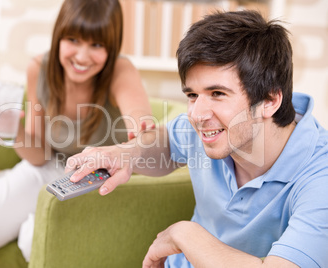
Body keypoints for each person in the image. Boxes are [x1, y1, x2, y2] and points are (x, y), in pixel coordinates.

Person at [66, 10, 328, 267]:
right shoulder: (211, 129)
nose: (197, 114)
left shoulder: (319, 178)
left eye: (217, 93)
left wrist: (185, 234)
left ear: (270, 101)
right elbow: (166, 143)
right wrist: (124, 154)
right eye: (192, 95)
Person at [0, 0, 153, 262]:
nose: (82, 56)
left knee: (36, 240)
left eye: (97, 45)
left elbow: (140, 120)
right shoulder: (39, 68)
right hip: (49, 169)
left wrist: (141, 129)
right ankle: (5, 191)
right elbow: (39, 155)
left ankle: (13, 199)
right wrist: (15, 132)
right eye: (73, 39)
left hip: (96, 181)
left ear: (112, 46)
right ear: (59, 35)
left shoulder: (120, 70)